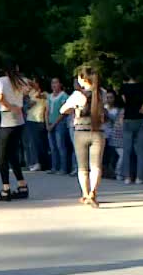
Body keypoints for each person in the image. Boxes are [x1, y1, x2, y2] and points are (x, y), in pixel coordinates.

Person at [60, 66, 106, 208]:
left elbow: (63, 110)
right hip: (98, 132)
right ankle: (93, 192)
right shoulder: (101, 93)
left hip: (80, 132)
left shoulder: (77, 95)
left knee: (83, 167)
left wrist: (74, 109)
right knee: (96, 165)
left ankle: (85, 194)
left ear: (83, 79)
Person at [0, 62, 29, 202]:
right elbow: (31, 89)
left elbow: (0, 98)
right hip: (19, 121)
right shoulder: (22, 81)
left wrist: (11, 106)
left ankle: (5, 189)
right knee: (13, 154)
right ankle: (22, 185)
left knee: (2, 156)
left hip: (7, 120)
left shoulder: (1, 81)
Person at [119, 62, 143, 185]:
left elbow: (124, 103)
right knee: (141, 150)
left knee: (127, 150)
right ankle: (140, 177)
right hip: (142, 119)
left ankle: (127, 177)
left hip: (128, 119)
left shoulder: (123, 87)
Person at [46, 78, 69, 175]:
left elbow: (64, 112)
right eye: (52, 83)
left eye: (56, 82)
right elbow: (46, 111)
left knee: (60, 146)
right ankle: (54, 167)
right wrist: (47, 124)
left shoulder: (64, 96)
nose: (54, 85)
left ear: (60, 84)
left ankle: (63, 168)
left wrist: (54, 123)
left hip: (60, 123)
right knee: (52, 147)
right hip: (50, 123)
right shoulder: (49, 96)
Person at [25, 77, 48, 171]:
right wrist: (30, 102)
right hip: (30, 119)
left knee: (40, 143)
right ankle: (34, 162)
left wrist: (39, 96)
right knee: (32, 143)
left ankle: (41, 163)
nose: (32, 85)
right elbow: (26, 106)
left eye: (34, 83)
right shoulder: (30, 93)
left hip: (40, 119)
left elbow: (44, 98)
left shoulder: (44, 94)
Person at [105, 91, 124, 181]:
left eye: (111, 97)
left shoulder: (118, 110)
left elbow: (117, 123)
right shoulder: (103, 108)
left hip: (114, 135)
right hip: (103, 134)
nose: (109, 100)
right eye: (107, 97)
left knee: (115, 155)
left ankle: (116, 173)